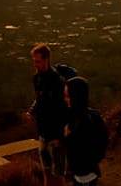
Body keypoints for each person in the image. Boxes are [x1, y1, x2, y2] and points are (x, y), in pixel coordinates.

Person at [28, 43, 76, 186]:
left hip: (56, 136)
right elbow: (40, 99)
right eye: (34, 61)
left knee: (59, 176)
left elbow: (63, 109)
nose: (35, 64)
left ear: (47, 59)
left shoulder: (57, 81)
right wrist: (32, 110)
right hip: (43, 134)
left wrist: (60, 137)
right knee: (46, 173)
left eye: (38, 61)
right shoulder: (37, 79)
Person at [64, 77, 109, 185]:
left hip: (85, 174)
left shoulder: (87, 120)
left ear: (76, 96)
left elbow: (99, 143)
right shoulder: (74, 115)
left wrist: (68, 136)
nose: (65, 99)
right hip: (79, 173)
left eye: (67, 96)